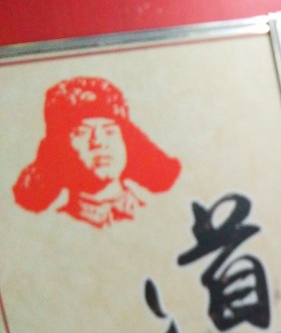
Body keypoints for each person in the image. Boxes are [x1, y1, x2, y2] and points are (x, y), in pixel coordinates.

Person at [13, 76, 181, 228]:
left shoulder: (162, 216)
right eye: (82, 133)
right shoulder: (52, 228)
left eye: (109, 131)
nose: (99, 142)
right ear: (60, 147)